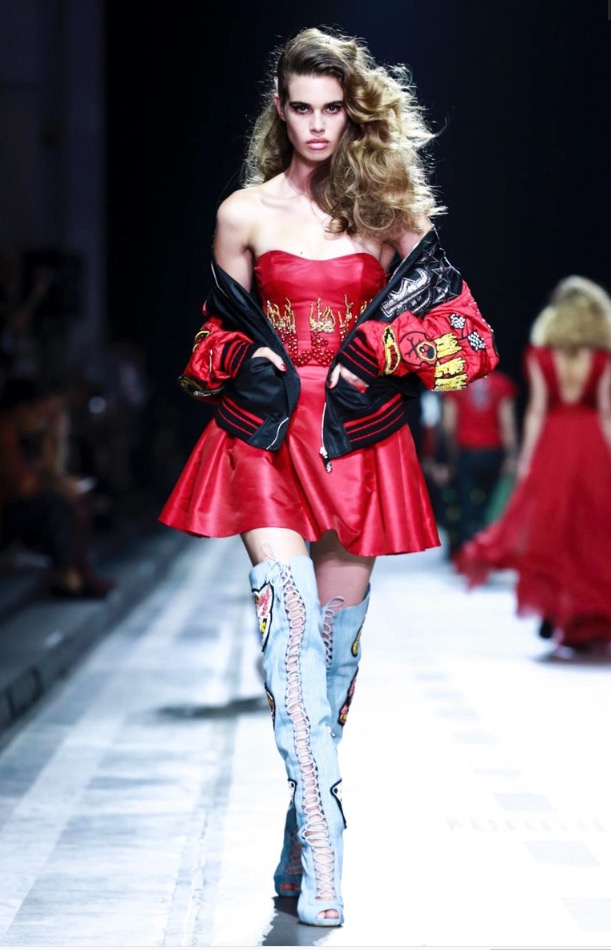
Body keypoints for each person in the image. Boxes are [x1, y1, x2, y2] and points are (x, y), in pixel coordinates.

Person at [159, 25, 498, 926]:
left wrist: (382, 349)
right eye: (302, 108)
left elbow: (468, 338)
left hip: (356, 442)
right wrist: (245, 357)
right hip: (264, 442)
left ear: (352, 113)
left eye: (332, 109)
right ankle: (325, 835)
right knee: (289, 640)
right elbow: (208, 343)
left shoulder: (388, 213)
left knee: (334, 666)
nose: (317, 125)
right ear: (280, 110)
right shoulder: (242, 214)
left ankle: (298, 837)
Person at [455, 275, 611, 651]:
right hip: (592, 443)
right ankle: (589, 613)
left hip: (553, 446)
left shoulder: (541, 355)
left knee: (550, 531)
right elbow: (606, 412)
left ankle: (551, 611)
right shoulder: (602, 357)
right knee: (590, 531)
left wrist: (526, 460)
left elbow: (537, 410)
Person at [0, 377, 116, 598]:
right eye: (38, 413)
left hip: (19, 507)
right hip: (7, 516)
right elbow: (24, 486)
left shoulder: (24, 436)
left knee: (73, 504)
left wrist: (56, 437)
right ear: (21, 410)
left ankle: (79, 574)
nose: (42, 418)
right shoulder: (5, 433)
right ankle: (68, 575)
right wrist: (57, 485)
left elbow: (50, 470)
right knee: (57, 505)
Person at [440, 368, 519, 557]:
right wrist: (512, 456)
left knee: (465, 504)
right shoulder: (501, 384)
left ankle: (466, 553)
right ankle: (487, 550)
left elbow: (449, 426)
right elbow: (507, 423)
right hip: (493, 453)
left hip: (466, 453)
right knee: (490, 506)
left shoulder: (455, 382)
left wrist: (449, 457)